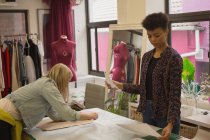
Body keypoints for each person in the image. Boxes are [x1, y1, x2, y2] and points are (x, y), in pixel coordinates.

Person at [107, 12, 183, 140]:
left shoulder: (174, 58)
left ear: (166, 32)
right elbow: (143, 88)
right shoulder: (147, 57)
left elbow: (174, 96)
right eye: (149, 36)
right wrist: (121, 85)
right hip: (147, 111)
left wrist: (170, 124)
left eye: (157, 35)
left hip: (165, 115)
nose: (153, 39)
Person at [0, 63, 98, 140]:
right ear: (62, 79)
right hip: (4, 116)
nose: (66, 85)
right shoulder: (48, 86)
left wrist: (73, 115)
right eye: (67, 81)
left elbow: (54, 115)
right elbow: (66, 113)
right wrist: (87, 115)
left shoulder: (45, 85)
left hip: (5, 113)